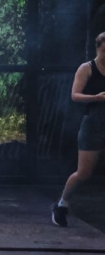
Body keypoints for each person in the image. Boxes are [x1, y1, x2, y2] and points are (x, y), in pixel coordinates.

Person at [51, 31, 105, 227]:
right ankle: (61, 204)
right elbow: (75, 95)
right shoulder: (87, 68)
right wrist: (97, 97)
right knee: (84, 173)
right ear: (98, 48)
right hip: (93, 123)